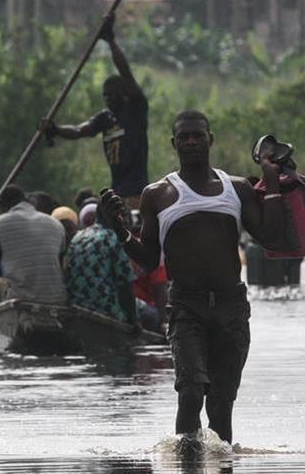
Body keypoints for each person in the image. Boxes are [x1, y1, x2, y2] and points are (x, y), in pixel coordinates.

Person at [100, 110, 284, 445]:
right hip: (186, 307)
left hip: (231, 306)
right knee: (191, 391)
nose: (191, 142)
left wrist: (272, 183)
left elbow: (269, 236)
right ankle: (185, 460)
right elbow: (149, 257)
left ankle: (221, 461)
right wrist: (121, 231)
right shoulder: (157, 194)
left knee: (221, 404)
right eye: (184, 137)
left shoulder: (237, 189)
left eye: (198, 135)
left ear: (210, 139)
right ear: (174, 144)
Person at [44, 13, 148, 210]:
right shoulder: (104, 118)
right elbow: (79, 130)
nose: (108, 99)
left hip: (136, 191)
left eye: (112, 95)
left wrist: (110, 41)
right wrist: (55, 129)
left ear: (123, 94)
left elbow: (126, 72)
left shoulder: (136, 110)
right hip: (117, 190)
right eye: (105, 96)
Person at [0, 185, 68, 324]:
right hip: (57, 299)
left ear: (4, 207)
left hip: (22, 298)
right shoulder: (56, 224)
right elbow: (62, 268)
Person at [64, 202, 140, 330]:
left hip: (76, 305)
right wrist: (134, 321)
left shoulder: (78, 236)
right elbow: (125, 286)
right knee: (151, 315)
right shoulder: (115, 238)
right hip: (106, 309)